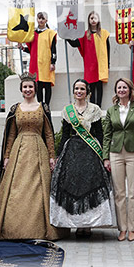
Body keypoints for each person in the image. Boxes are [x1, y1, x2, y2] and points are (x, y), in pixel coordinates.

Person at [0, 74, 56, 241]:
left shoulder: (43, 107)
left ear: (35, 89)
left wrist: (51, 156)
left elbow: (48, 134)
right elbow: (10, 135)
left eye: (30, 87)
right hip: (18, 151)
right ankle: (13, 228)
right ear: (21, 90)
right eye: (25, 87)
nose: (28, 90)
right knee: (16, 189)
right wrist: (6, 157)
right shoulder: (15, 109)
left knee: (39, 187)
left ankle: (41, 230)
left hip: (38, 150)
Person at [49, 77, 115, 233]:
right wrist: (59, 156)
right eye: (76, 89)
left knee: (90, 186)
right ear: (73, 92)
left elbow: (99, 133)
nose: (79, 91)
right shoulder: (67, 111)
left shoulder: (95, 110)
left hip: (91, 152)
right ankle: (77, 224)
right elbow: (65, 134)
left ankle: (88, 226)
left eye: (82, 89)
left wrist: (103, 154)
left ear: (88, 93)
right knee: (72, 186)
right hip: (72, 151)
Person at [103, 78, 134, 242]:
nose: (121, 90)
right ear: (116, 91)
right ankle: (122, 228)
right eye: (119, 87)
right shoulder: (111, 110)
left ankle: (133, 229)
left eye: (124, 87)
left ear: (130, 90)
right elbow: (107, 134)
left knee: (133, 193)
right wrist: (105, 157)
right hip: (115, 153)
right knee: (119, 193)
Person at [71, 14, 110, 106]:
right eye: (91, 18)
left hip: (100, 65)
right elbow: (76, 43)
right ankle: (92, 107)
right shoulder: (85, 34)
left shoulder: (104, 33)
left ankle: (99, 107)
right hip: (90, 64)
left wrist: (108, 65)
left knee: (99, 87)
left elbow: (108, 49)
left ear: (98, 20)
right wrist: (67, 37)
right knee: (91, 87)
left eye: (95, 18)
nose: (93, 20)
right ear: (88, 20)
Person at [22, 11, 56, 106]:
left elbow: (53, 49)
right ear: (37, 19)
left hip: (46, 62)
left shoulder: (51, 33)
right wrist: (23, 48)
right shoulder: (33, 34)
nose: (41, 20)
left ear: (46, 20)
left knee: (47, 84)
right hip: (35, 64)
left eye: (43, 18)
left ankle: (47, 106)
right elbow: (32, 50)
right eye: (39, 18)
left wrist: (53, 62)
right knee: (38, 85)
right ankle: (40, 105)